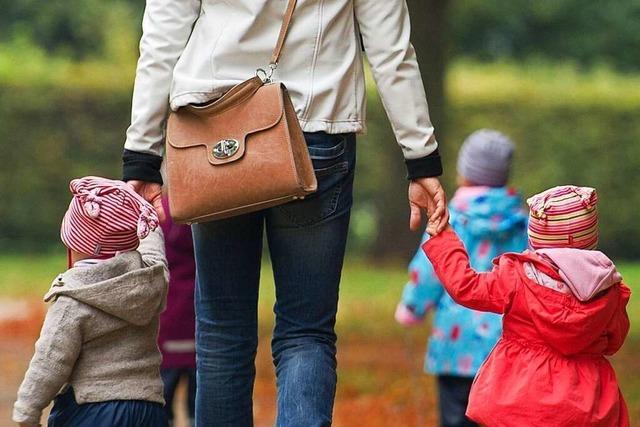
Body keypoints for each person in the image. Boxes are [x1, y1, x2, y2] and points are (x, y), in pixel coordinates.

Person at [122, 0, 448, 425]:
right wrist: (420, 157)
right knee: (306, 333)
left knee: (221, 331)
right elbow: (391, 49)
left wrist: (142, 153)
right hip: (316, 131)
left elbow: (162, 37)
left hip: (214, 135)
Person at [422, 185, 631, 427]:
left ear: (536, 236)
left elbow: (466, 287)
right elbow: (615, 340)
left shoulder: (518, 278)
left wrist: (443, 238)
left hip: (521, 397)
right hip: (586, 402)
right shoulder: (608, 289)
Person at [395, 130, 528, 427]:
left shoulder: (449, 218)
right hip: (509, 349)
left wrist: (412, 307)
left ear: (465, 174)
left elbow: (429, 269)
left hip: (457, 350)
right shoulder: (523, 223)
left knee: (457, 417)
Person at [12, 176, 168, 427]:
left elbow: (50, 361)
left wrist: (26, 412)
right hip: (147, 409)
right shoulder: (150, 279)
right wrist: (142, 210)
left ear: (74, 246)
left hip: (92, 411)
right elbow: (154, 250)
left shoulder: (73, 298)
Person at [158, 196, 197, 427]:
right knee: (199, 405)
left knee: (162, 403)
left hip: (166, 320)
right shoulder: (201, 208)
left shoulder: (160, 212)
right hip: (197, 314)